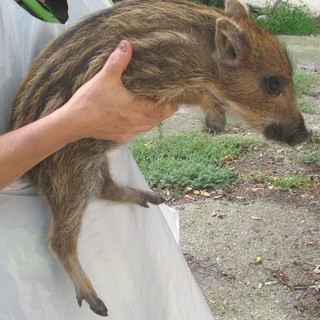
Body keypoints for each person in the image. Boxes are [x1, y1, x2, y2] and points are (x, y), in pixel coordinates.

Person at [0, 1, 215, 319]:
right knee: (72, 168)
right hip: (21, 264)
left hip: (119, 238)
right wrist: (74, 121)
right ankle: (67, 253)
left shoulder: (95, 3)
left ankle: (108, 188)